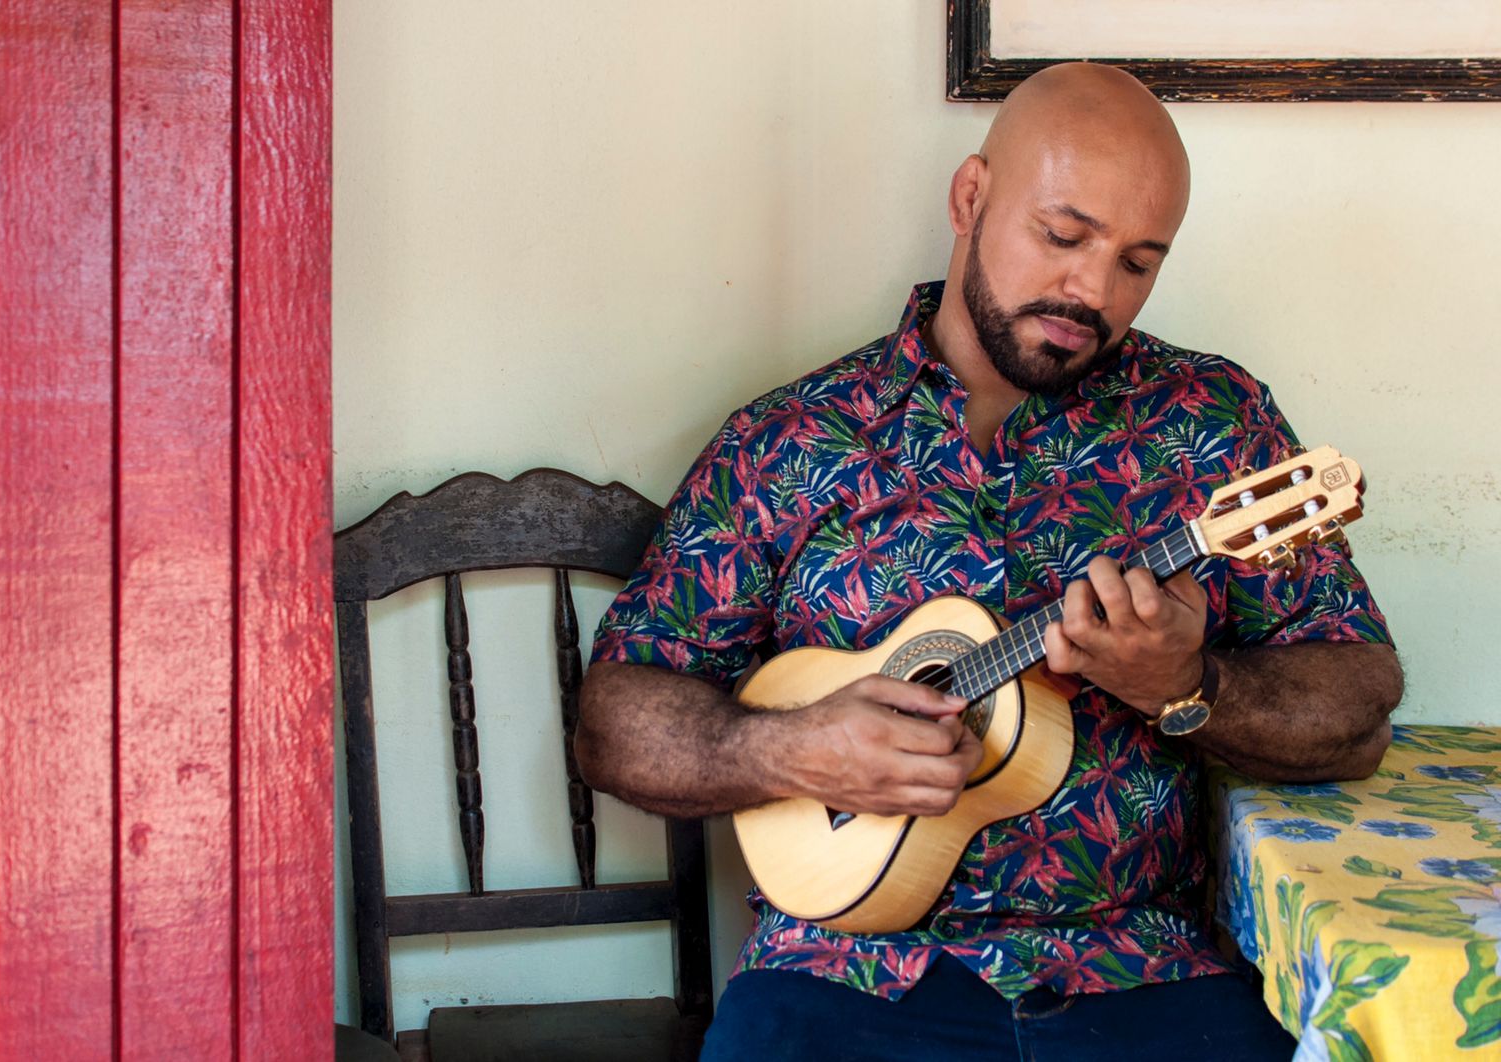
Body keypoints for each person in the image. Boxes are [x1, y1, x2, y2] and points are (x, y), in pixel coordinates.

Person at [575, 62, 1403, 1060]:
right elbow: (615, 717)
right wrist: (783, 750)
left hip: (1143, 971)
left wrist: (1188, 686)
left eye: (1138, 263)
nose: (1092, 292)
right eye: (1063, 237)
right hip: (841, 975)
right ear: (970, 198)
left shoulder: (1212, 427)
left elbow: (1357, 704)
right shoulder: (789, 442)